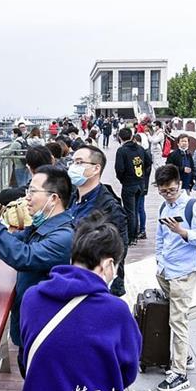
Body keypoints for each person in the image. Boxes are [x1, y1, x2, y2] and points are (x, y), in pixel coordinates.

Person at [19, 211, 141, 391]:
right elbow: (127, 372)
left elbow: (26, 358)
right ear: (109, 264)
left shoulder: (31, 298)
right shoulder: (116, 311)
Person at [0, 166, 74, 377]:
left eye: (32, 192)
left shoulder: (64, 236)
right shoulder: (42, 227)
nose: (26, 198)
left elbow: (22, 256)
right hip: (34, 326)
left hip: (47, 330)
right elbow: (9, 244)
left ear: (53, 199)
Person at [154, 164, 196, 391]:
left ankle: (179, 373)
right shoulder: (163, 207)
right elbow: (160, 236)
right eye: (163, 191)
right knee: (173, 316)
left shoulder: (194, 206)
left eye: (172, 190)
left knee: (178, 320)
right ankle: (183, 357)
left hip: (184, 271)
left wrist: (182, 232)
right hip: (166, 270)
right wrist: (159, 260)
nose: (168, 195)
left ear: (180, 184)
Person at [67, 145, 129, 296]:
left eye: (80, 162)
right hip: (69, 278)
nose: (73, 167)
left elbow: (119, 250)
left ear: (96, 169)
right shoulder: (71, 198)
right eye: (73, 162)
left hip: (92, 285)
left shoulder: (110, 208)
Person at [115, 127, 146, 246]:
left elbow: (119, 169)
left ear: (120, 138)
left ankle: (131, 237)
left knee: (130, 211)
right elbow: (148, 162)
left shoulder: (122, 151)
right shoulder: (140, 148)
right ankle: (137, 233)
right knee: (137, 209)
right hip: (140, 183)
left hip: (129, 184)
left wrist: (123, 180)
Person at [133, 134, 153, 240]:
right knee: (139, 207)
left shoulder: (141, 152)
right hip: (142, 184)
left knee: (138, 208)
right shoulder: (144, 152)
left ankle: (140, 229)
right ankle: (140, 229)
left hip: (140, 184)